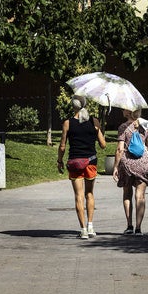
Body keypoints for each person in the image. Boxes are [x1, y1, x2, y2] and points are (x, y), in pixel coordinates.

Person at [57, 95, 107, 239]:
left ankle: (83, 229)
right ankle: (91, 227)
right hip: (90, 162)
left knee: (78, 196)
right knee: (89, 194)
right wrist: (98, 130)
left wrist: (59, 161)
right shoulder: (94, 121)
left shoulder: (67, 123)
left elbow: (62, 146)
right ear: (85, 105)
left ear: (73, 106)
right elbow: (103, 145)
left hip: (75, 162)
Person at [112, 108, 148, 236]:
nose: (122, 110)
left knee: (127, 194)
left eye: (124, 109)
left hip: (127, 164)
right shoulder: (145, 126)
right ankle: (138, 228)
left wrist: (115, 167)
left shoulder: (123, 127)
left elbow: (120, 150)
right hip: (142, 163)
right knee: (140, 196)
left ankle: (129, 226)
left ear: (128, 112)